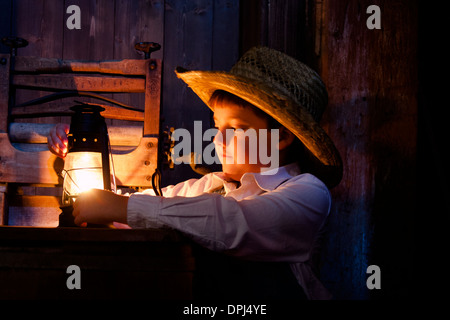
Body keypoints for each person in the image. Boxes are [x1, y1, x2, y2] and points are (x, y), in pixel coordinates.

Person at [48, 47, 342, 300]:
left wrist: (124, 207)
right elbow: (128, 209)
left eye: (236, 129)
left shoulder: (308, 193)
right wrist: (80, 158)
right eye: (217, 124)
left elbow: (232, 222)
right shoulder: (208, 187)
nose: (218, 139)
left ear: (281, 138)